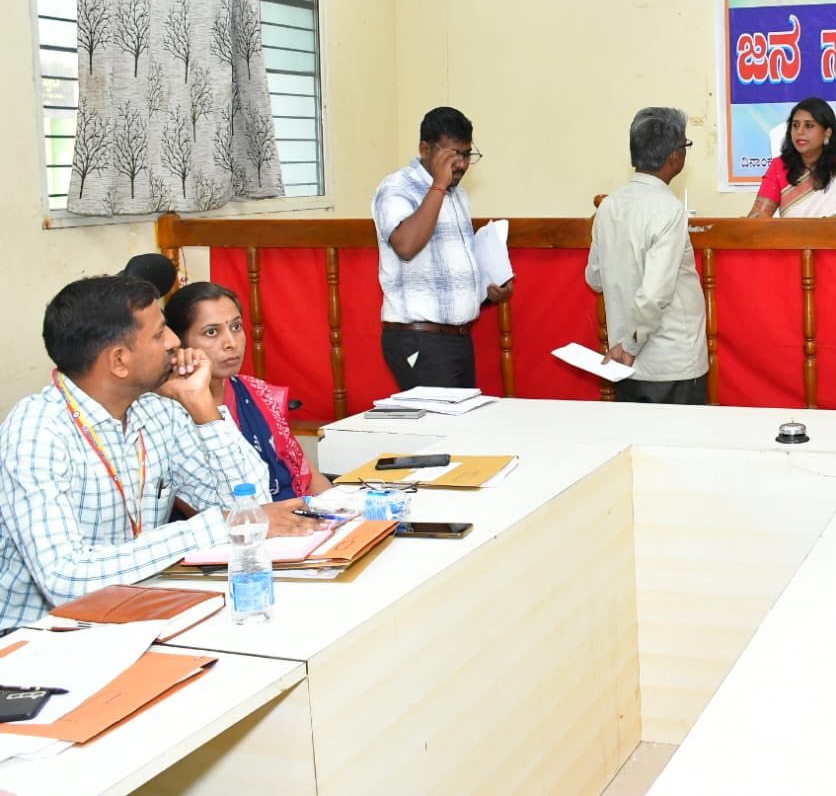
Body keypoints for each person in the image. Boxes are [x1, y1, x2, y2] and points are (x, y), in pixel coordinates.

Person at [0, 275, 311, 632]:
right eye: (160, 334)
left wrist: (201, 404)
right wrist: (217, 526)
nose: (175, 342)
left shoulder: (156, 408)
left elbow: (251, 507)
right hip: (39, 637)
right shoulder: (38, 429)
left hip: (136, 616)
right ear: (119, 361)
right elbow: (66, 579)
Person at [372, 106, 512, 390]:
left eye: (466, 154)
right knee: (441, 419)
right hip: (420, 339)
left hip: (457, 339)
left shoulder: (457, 194)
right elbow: (406, 246)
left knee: (463, 419)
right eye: (452, 155)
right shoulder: (397, 188)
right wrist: (437, 185)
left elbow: (447, 267)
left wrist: (488, 292)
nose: (461, 164)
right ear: (425, 149)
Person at [164, 282, 333, 502]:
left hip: (300, 512)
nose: (231, 343)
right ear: (179, 344)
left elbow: (308, 475)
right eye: (211, 332)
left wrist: (339, 510)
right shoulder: (168, 413)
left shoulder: (256, 392)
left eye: (236, 327)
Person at [587, 108, 709, 405]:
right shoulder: (669, 210)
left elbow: (594, 278)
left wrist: (627, 345)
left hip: (624, 364)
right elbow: (655, 294)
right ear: (675, 156)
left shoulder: (609, 206)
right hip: (671, 363)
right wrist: (631, 345)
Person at [747, 98, 836, 218]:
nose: (800, 132)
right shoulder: (779, 166)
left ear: (827, 132)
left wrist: (821, 227)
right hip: (791, 234)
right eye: (796, 125)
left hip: (834, 233)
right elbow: (759, 216)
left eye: (809, 126)